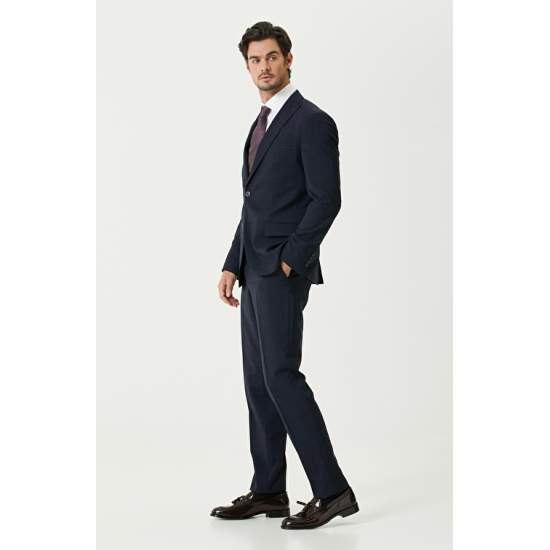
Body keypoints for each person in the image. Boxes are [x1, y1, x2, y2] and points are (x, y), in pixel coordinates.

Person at [213, 21, 359, 530]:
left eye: (272, 57)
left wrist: (291, 258)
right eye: (255, 60)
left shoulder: (311, 121)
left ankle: (332, 490)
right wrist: (232, 262)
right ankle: (269, 489)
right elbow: (254, 205)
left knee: (281, 375)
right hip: (253, 270)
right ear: (247, 66)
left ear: (289, 59)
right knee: (258, 381)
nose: (264, 67)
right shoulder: (261, 124)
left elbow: (327, 198)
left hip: (280, 271)